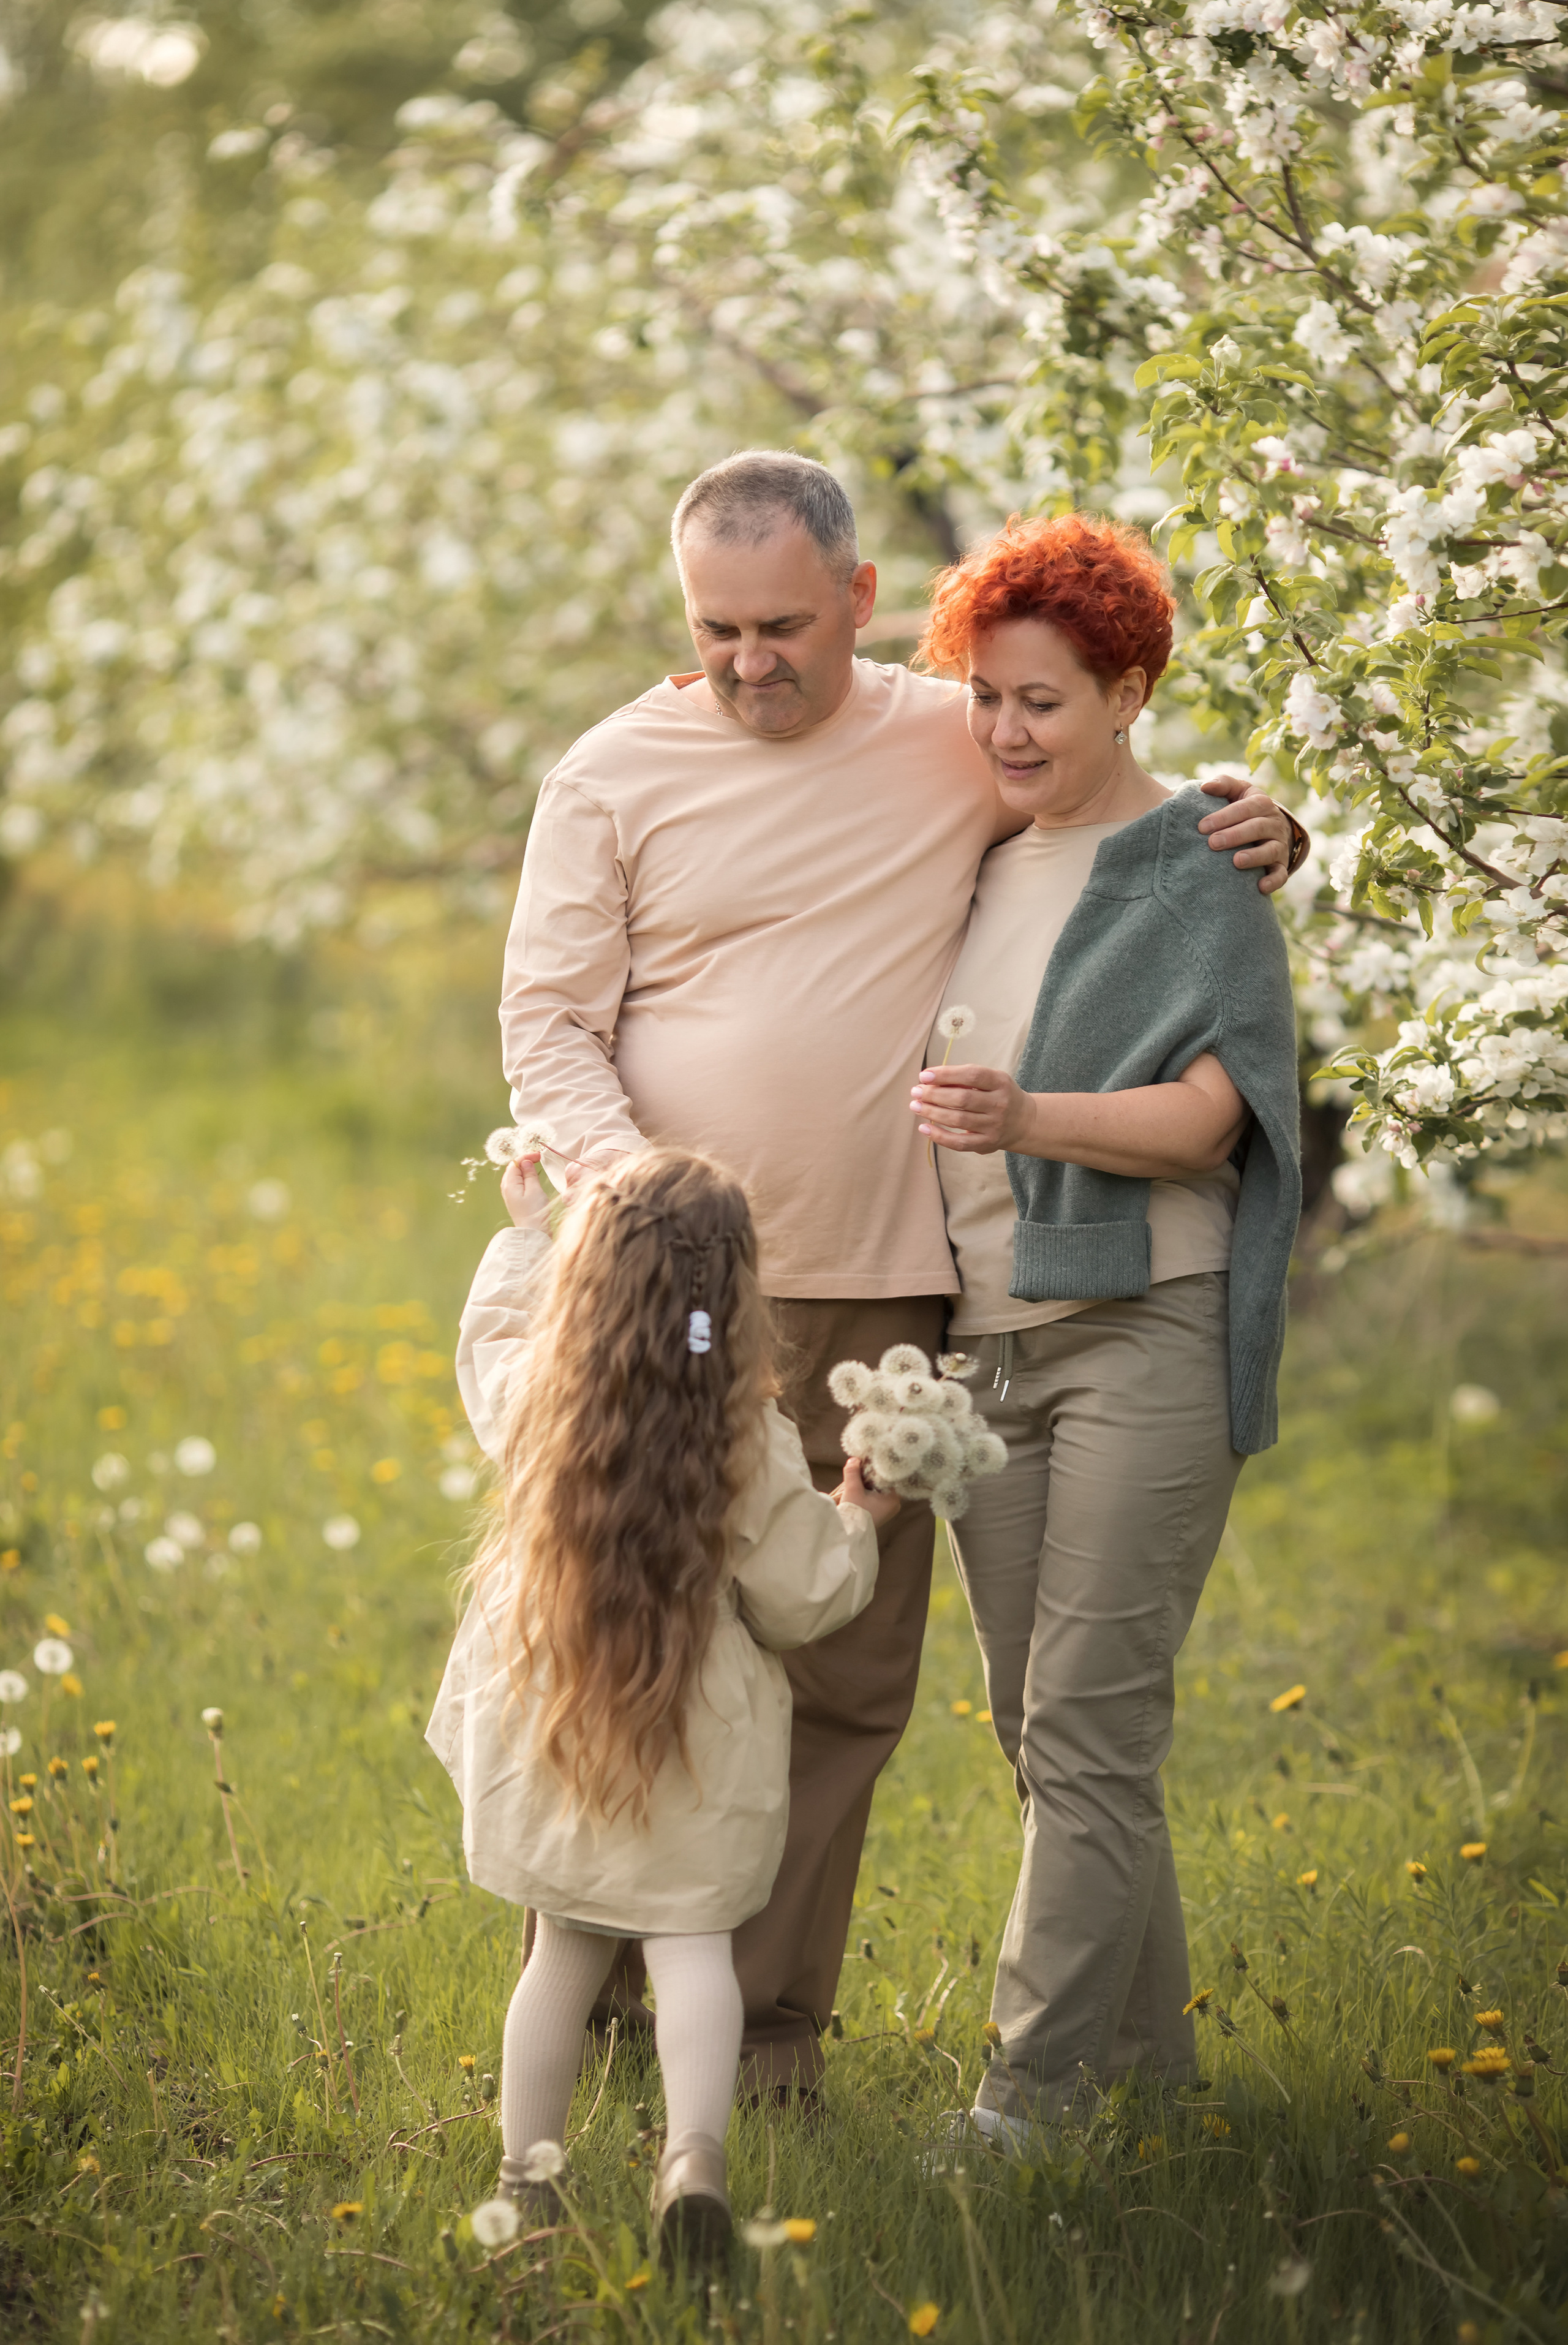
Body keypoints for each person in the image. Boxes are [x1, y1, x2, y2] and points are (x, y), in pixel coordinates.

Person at [499, 449, 1306, 2104]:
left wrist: (1264, 815)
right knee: (627, 1630)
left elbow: (1114, 796)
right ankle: (590, 2005)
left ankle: (766, 2034)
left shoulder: (952, 736)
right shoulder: (611, 773)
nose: (749, 661)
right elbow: (549, 1026)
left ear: (860, 601)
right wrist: (633, 1193)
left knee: (838, 1673)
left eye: (783, 626)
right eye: (717, 628)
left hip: (883, 1291)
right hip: (661, 1288)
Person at [908, 512, 1302, 2142]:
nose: (1006, 732)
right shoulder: (973, 849)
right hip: (984, 1338)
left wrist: (1026, 1116)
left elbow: (1212, 1120)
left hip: (1145, 1319)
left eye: (1044, 703)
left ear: (1128, 695)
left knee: (1085, 1722)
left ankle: (1027, 2099)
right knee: (1042, 1727)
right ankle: (1147, 2082)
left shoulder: (1196, 863)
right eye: (986, 697)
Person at [424, 1146, 896, 2258]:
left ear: (592, 1275)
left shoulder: (546, 1398)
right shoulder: (748, 1437)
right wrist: (858, 1517)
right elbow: (799, 1597)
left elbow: (491, 1349)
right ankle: (692, 2163)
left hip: (563, 1721)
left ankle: (528, 2183)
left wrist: (523, 1237)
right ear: (735, 1291)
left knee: (561, 1957)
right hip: (699, 1741)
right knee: (693, 1953)